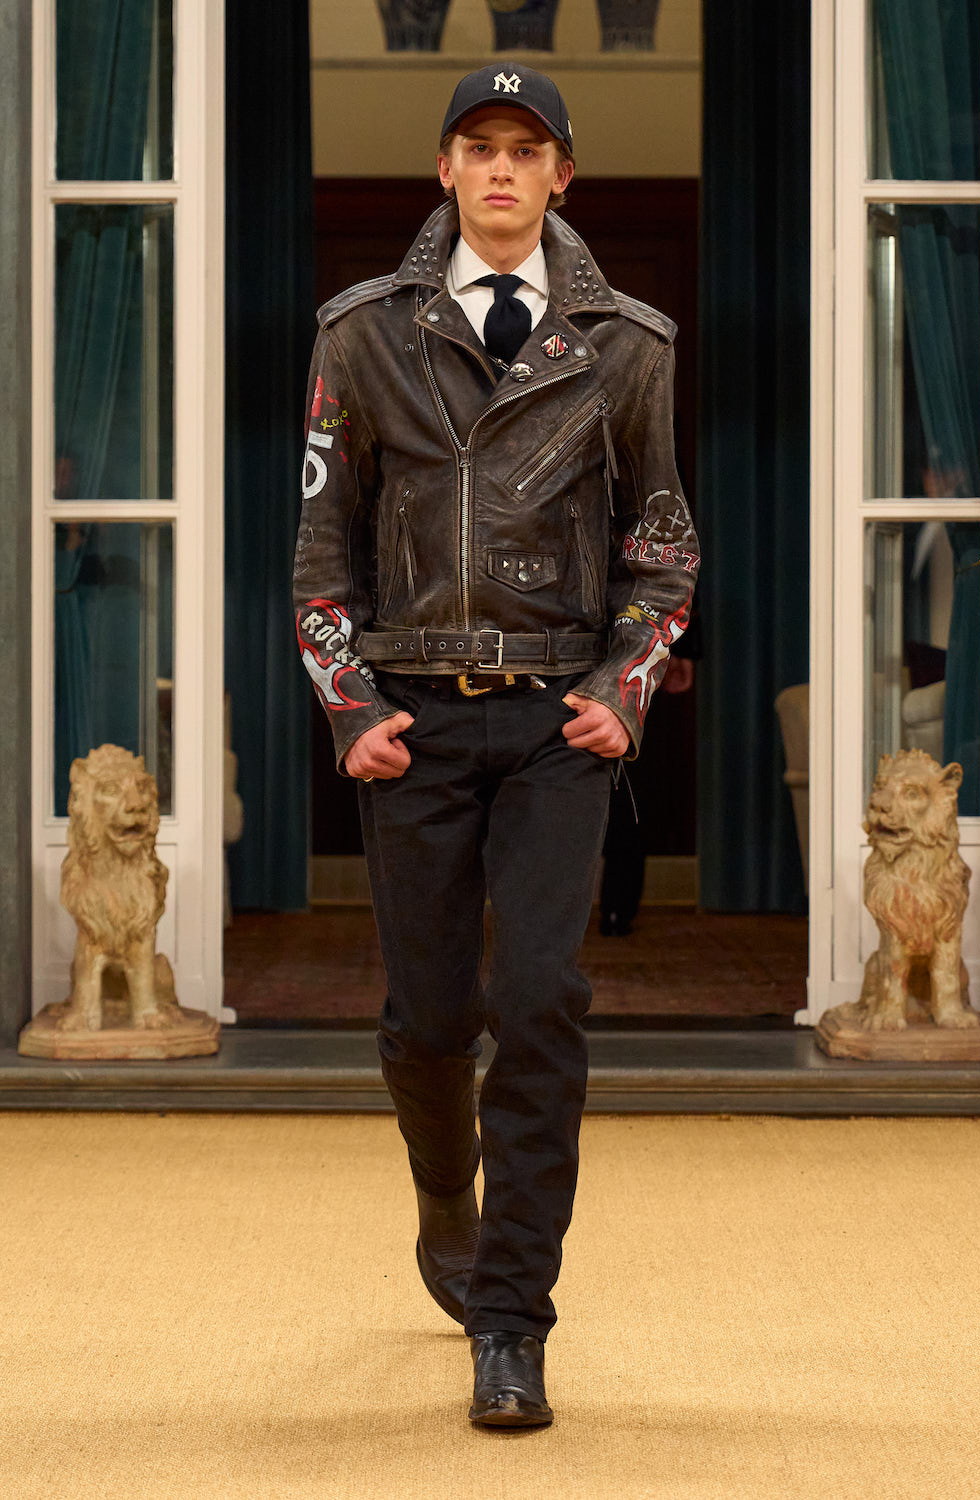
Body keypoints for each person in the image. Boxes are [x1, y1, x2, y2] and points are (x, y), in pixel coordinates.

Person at [294, 62, 699, 1428]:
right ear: (447, 169)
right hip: (412, 720)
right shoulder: (361, 334)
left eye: (528, 150)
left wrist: (624, 690)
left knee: (539, 1000)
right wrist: (352, 708)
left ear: (563, 177)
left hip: (555, 725)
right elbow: (320, 553)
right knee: (428, 1024)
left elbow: (662, 548)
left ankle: (512, 1320)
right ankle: (443, 1196)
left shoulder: (628, 344)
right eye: (481, 147)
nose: (504, 170)